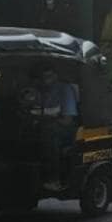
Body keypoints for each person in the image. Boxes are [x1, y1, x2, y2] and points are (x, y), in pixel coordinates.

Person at [29, 63, 79, 191]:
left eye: (49, 76)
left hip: (64, 128)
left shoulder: (64, 89)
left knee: (50, 133)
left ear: (55, 75)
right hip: (43, 125)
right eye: (43, 77)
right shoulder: (37, 91)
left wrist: (47, 120)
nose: (46, 80)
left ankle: (54, 179)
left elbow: (68, 119)